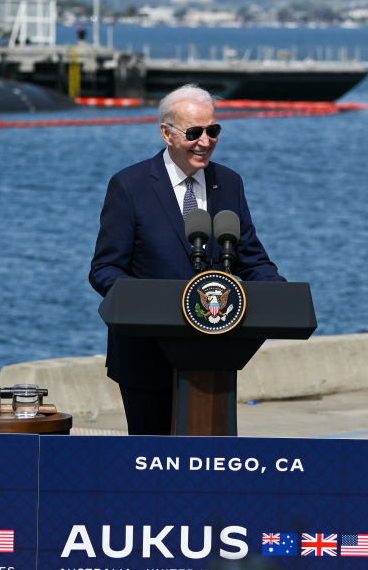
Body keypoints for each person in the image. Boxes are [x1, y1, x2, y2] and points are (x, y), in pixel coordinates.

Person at [89, 84, 284, 435]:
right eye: (194, 132)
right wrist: (144, 304)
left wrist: (278, 297)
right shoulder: (129, 185)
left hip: (214, 355)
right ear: (167, 133)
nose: (205, 141)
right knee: (155, 465)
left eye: (214, 131)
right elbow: (104, 269)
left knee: (209, 462)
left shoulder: (229, 182)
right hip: (145, 358)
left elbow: (251, 258)